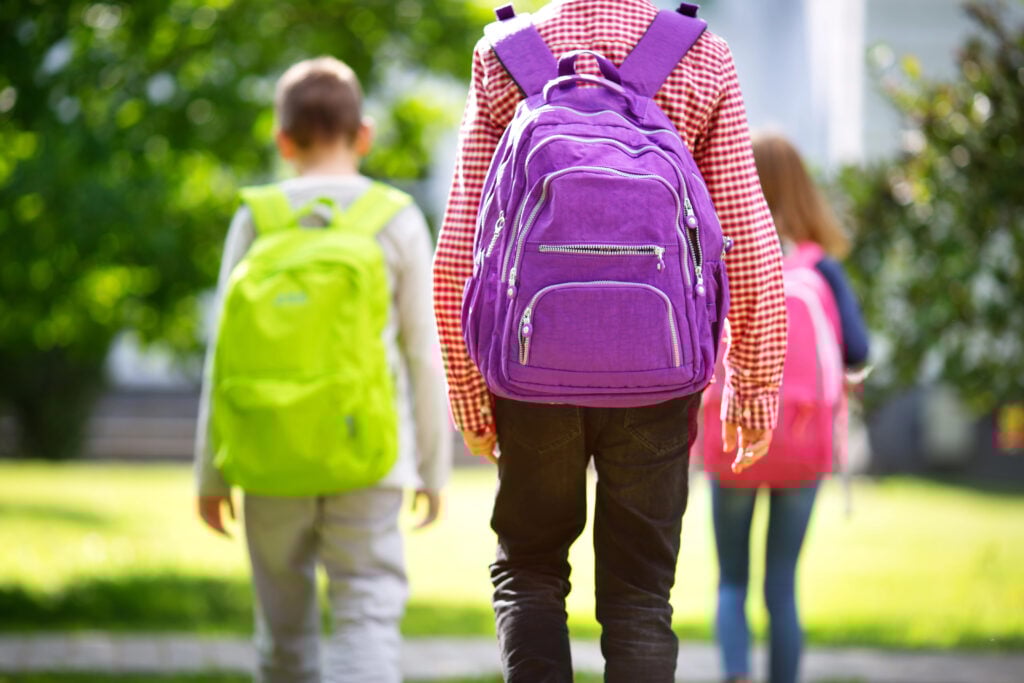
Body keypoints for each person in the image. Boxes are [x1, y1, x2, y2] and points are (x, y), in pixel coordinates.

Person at [432, 1, 788, 680]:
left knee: (530, 568)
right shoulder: (702, 54)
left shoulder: (506, 52)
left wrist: (469, 391)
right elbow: (747, 236)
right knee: (641, 596)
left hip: (532, 369)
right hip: (660, 370)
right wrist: (757, 381)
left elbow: (459, 251)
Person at [193, 56, 451, 683]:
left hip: (268, 451)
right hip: (371, 454)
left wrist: (211, 471)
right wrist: (432, 467)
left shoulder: (256, 215)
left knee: (282, 630)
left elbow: (222, 353)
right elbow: (424, 350)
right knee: (366, 612)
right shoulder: (395, 218)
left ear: (283, 142)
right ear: (363, 134)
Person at [708, 131, 870, 683]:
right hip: (802, 439)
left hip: (731, 437)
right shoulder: (821, 267)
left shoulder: (722, 255)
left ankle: (735, 677)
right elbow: (859, 350)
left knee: (732, 580)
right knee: (782, 583)